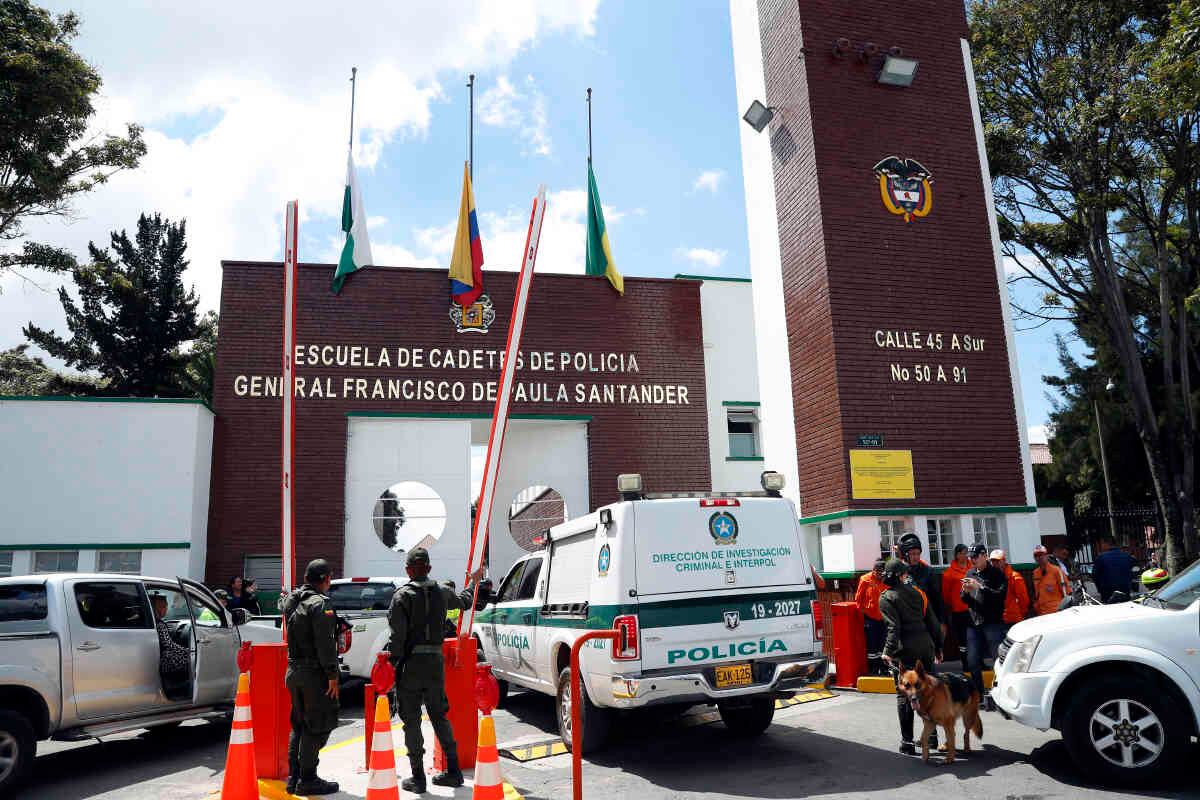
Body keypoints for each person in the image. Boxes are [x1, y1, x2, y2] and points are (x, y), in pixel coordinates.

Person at [388, 548, 485, 794]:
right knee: (439, 715)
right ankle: (453, 771)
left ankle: (418, 778)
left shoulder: (402, 596)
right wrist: (473, 582)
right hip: (434, 663)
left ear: (408, 570)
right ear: (429, 568)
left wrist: (393, 667)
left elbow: (397, 639)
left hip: (410, 665)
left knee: (411, 721)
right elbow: (464, 602)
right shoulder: (442, 591)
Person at [281, 559, 340, 796]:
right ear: (326, 579)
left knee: (299, 725)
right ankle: (308, 778)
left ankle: (294, 777)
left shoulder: (293, 601)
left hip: (293, 671)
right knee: (317, 725)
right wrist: (332, 675)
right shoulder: (320, 604)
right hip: (313, 674)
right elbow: (325, 644)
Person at [878, 558, 943, 756]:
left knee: (904, 695)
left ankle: (907, 743)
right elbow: (933, 623)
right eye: (905, 573)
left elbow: (893, 628)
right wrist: (938, 647)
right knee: (927, 691)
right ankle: (931, 738)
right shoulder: (919, 593)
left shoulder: (887, 597)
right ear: (901, 575)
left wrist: (887, 651)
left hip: (905, 651)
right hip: (925, 647)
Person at [961, 544, 1006, 711]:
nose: (972, 560)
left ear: (984, 556)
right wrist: (966, 591)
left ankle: (1000, 694)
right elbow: (963, 599)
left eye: (975, 557)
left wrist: (980, 587)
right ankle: (979, 695)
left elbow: (1000, 597)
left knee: (997, 660)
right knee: (972, 660)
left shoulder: (997, 574)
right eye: (970, 557)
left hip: (992, 622)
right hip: (974, 622)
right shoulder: (970, 573)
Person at [896, 533, 944, 638]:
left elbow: (937, 598)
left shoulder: (928, 572)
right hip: (906, 623)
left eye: (918, 554)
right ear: (905, 555)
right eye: (913, 554)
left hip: (927, 621)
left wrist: (941, 622)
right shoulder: (899, 572)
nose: (916, 557)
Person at [151, 594, 191, 699]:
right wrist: (188, 651)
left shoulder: (153, 622)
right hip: (164, 660)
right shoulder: (160, 625)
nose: (166, 609)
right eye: (164, 606)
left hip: (159, 658)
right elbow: (169, 645)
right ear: (158, 608)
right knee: (192, 659)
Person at [940, 543, 971, 665]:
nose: (965, 556)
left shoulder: (973, 568)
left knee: (976, 637)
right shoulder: (949, 573)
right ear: (957, 555)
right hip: (959, 611)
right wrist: (954, 604)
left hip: (974, 609)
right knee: (963, 638)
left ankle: (978, 661)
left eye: (966, 553)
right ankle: (965, 663)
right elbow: (946, 594)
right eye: (962, 553)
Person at [855, 559, 887, 674]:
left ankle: (884, 668)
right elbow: (858, 599)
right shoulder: (865, 579)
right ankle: (873, 669)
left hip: (884, 618)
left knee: (883, 645)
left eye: (881, 572)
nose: (879, 574)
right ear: (873, 570)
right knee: (872, 646)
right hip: (870, 618)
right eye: (877, 571)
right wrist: (864, 613)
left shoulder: (888, 580)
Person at [1092, 536, 1136, 603]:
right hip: (1125, 590)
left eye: (1102, 544)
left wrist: (1100, 589)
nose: (1101, 546)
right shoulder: (1127, 556)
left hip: (1107, 592)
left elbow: (1095, 576)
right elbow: (1134, 571)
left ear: (1106, 544)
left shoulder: (1101, 558)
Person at [993, 550, 1029, 628]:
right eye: (993, 561)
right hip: (999, 620)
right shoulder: (993, 577)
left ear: (1004, 561)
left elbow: (1023, 599)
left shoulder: (1015, 577)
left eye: (998, 561)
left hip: (1014, 619)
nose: (995, 563)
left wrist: (1020, 614)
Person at [1031, 544, 1070, 616]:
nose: (1039, 557)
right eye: (1036, 555)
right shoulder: (1035, 573)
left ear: (1046, 556)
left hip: (1056, 612)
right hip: (1041, 613)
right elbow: (1035, 593)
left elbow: (1066, 593)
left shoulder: (1057, 571)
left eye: (1041, 554)